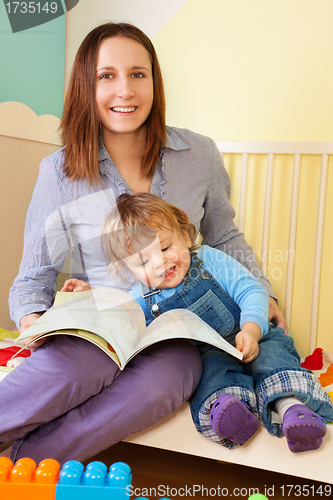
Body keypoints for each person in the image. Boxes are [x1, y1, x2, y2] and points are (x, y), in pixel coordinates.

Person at [1, 21, 284, 464]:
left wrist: (262, 292)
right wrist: (37, 323)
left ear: (154, 81)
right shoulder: (58, 172)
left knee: (176, 375)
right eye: (106, 76)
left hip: (176, 332)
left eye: (138, 74)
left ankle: (31, 463)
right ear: (85, 86)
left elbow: (225, 236)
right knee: (85, 363)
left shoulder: (200, 154)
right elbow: (32, 277)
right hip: (104, 320)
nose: (125, 91)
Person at [64, 192, 333, 453]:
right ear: (129, 270)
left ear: (185, 235)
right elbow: (119, 322)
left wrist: (251, 328)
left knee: (273, 358)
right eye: (144, 261)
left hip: (252, 335)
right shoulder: (140, 296)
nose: (160, 262)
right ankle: (233, 415)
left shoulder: (208, 259)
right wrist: (91, 298)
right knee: (210, 376)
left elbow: (251, 290)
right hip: (209, 356)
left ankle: (292, 409)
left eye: (166, 247)